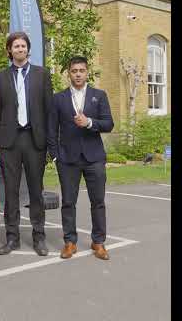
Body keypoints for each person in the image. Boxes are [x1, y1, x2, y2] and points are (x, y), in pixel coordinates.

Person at [0, 31, 53, 256]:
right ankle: (12, 238)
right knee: (11, 192)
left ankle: (39, 238)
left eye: (23, 46)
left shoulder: (41, 75)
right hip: (10, 141)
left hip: (35, 140)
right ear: (9, 50)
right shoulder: (1, 77)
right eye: (16, 46)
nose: (20, 49)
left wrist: (50, 142)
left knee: (36, 191)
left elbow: (49, 111)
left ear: (28, 49)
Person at [47, 56, 114, 260]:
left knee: (98, 202)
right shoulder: (58, 99)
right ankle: (70, 242)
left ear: (87, 72)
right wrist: (55, 156)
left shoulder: (99, 96)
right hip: (67, 159)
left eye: (81, 70)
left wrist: (89, 122)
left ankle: (98, 242)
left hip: (94, 158)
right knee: (68, 202)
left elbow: (108, 124)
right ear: (69, 73)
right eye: (74, 70)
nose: (78, 74)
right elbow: (51, 130)